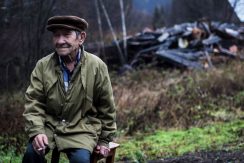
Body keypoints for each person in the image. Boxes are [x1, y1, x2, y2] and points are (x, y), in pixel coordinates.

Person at [22, 15, 117, 163]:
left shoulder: (97, 66)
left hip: (82, 129)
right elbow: (34, 102)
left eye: (66, 35)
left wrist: (105, 140)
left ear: (81, 38)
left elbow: (106, 107)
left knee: (81, 161)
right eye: (56, 35)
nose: (60, 41)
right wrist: (37, 132)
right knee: (31, 156)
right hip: (49, 126)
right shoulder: (42, 66)